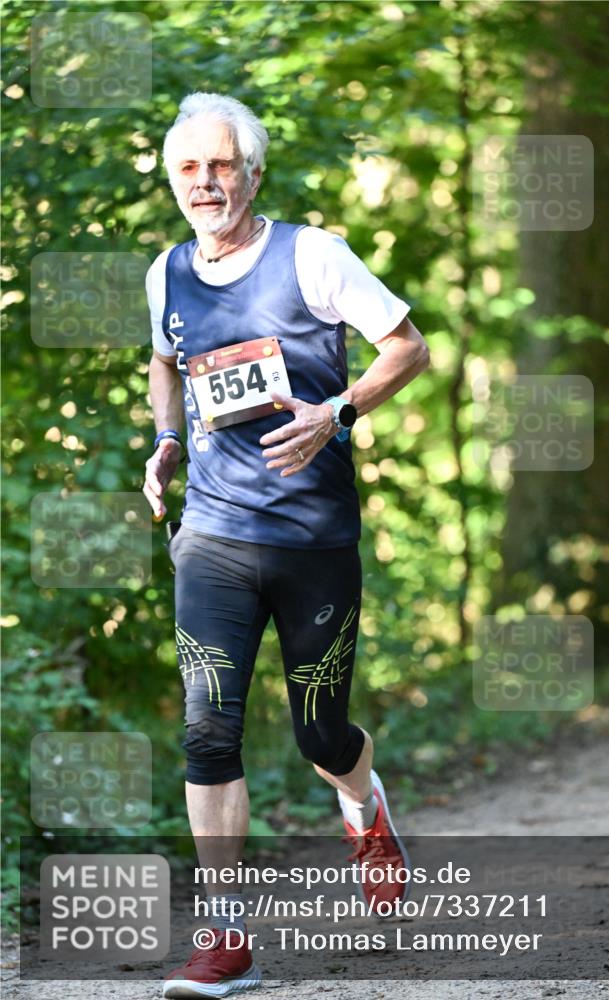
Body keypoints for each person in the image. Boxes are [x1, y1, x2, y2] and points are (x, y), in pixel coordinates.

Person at [143, 92, 429, 999]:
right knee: (207, 729)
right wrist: (168, 443)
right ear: (173, 181)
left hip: (313, 539)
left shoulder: (312, 254)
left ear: (252, 172)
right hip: (214, 536)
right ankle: (226, 938)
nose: (205, 183)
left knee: (321, 731)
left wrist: (336, 412)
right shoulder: (165, 273)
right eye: (189, 169)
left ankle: (363, 806)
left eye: (221, 165)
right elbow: (163, 361)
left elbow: (407, 347)